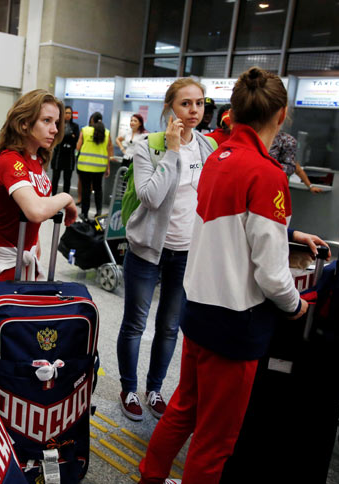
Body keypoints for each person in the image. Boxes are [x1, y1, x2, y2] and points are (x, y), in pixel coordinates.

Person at [138, 67, 329, 484]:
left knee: (184, 409)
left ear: (232, 113)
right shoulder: (266, 173)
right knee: (215, 439)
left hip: (200, 310)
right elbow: (272, 272)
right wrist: (296, 306)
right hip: (236, 322)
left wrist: (287, 231)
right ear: (280, 116)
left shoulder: (216, 159)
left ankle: (149, 477)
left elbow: (230, 228)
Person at [116, 79, 216, 423]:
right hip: (147, 250)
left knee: (170, 326)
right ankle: (129, 388)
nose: (193, 111)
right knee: (135, 324)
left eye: (199, 104)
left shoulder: (208, 146)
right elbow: (150, 197)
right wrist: (172, 152)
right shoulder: (148, 146)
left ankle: (154, 388)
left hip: (186, 253)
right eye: (185, 104)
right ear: (169, 108)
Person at [0, 89, 77, 304]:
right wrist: (67, 199)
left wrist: (34, 244)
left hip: (22, 256)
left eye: (56, 122)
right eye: (46, 121)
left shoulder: (37, 158)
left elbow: (36, 203)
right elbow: (35, 210)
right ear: (24, 123)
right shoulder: (10, 160)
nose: (54, 129)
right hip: (0, 263)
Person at [76, 112, 112, 220]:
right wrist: (108, 167)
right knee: (98, 189)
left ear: (92, 120)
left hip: (84, 166)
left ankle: (84, 213)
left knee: (86, 189)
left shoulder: (85, 130)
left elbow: (78, 147)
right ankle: (99, 212)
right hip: (100, 166)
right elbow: (108, 150)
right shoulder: (107, 132)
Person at [51, 106, 79, 195]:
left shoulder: (75, 126)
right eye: (66, 113)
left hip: (69, 156)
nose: (68, 115)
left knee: (67, 179)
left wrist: (68, 136)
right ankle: (53, 196)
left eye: (69, 113)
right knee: (55, 178)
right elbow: (58, 138)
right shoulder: (58, 125)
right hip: (58, 155)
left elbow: (75, 140)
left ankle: (65, 198)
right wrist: (69, 136)